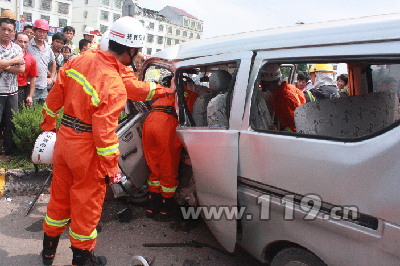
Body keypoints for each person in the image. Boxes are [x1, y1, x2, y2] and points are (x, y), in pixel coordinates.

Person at [40, 16, 172, 266]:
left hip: (65, 141)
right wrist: (112, 168)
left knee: (59, 197)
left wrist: (48, 128)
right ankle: (82, 259)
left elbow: (55, 96)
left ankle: (48, 251)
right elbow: (104, 134)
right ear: (132, 50)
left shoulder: (81, 59)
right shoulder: (112, 83)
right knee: (86, 205)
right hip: (88, 149)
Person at [143, 75, 183, 219]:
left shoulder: (163, 92)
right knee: (168, 166)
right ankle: (167, 207)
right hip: (166, 124)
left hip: (150, 121)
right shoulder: (187, 94)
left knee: (154, 164)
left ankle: (152, 205)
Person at [0, 17, 25, 155]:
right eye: (3, 29)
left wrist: (4, 64)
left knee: (11, 123)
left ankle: (9, 152)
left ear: (14, 32)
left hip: (12, 92)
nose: (6, 32)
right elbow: (17, 64)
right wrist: (14, 61)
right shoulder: (15, 53)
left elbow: (21, 69)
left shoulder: (16, 47)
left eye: (10, 30)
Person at [261, 64, 306, 132]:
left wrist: (279, 133)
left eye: (265, 86)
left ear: (269, 84)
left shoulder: (283, 98)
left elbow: (296, 126)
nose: (267, 89)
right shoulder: (288, 87)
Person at [27, 19, 55, 105]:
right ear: (34, 30)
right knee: (29, 112)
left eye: (44, 32)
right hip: (30, 86)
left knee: (42, 113)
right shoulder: (28, 45)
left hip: (44, 87)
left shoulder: (47, 47)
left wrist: (51, 77)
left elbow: (53, 62)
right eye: (39, 31)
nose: (42, 34)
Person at [15, 32, 38, 108]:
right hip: (5, 89)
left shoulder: (31, 59)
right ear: (15, 41)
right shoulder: (7, 55)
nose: (23, 44)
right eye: (20, 41)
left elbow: (33, 78)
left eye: (25, 42)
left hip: (22, 89)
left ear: (28, 43)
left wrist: (30, 96)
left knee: (18, 114)